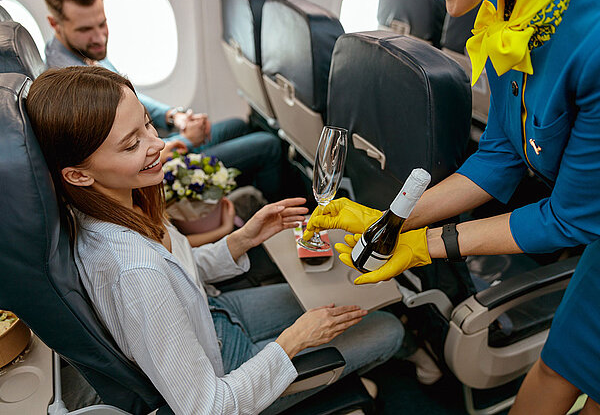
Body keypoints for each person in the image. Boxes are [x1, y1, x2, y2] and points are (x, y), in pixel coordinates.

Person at [26, 65, 405, 414]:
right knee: (389, 329)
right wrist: (294, 342)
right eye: (131, 145)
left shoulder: (110, 206)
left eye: (146, 125)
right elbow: (207, 407)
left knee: (342, 297)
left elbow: (175, 271)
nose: (156, 144)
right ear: (78, 175)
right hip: (220, 370)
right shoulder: (133, 273)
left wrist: (242, 238)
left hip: (212, 317)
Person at [305, 0, 600, 413]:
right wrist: (392, 220)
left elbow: (567, 218)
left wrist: (426, 245)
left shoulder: (591, 34)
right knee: (557, 369)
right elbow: (501, 153)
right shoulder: (504, 15)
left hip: (586, 220)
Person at [42, 0, 284, 200]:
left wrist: (174, 116)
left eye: (102, 23)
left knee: (238, 126)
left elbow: (128, 96)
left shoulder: (84, 52)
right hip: (148, 169)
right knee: (268, 145)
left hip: (153, 148)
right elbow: (122, 154)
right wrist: (185, 140)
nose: (99, 37)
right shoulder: (71, 87)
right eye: (85, 29)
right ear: (55, 24)